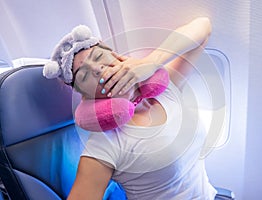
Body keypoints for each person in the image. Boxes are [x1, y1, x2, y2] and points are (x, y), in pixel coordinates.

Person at [43, 17, 216, 200]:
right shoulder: (104, 144)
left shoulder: (165, 91)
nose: (97, 69)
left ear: (117, 57)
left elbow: (203, 27)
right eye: (84, 75)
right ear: (86, 96)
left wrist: (152, 62)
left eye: (99, 57)